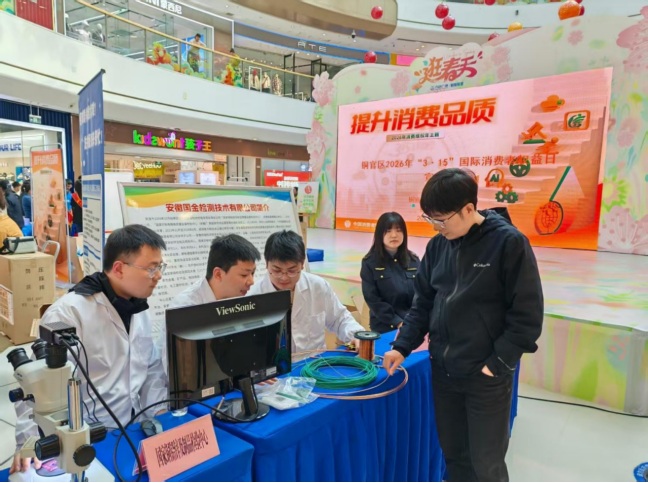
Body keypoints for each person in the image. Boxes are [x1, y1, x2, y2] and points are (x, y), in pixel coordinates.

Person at [383, 168, 544, 482]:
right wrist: (402, 346)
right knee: (454, 456)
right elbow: (423, 304)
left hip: (485, 377)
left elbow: (527, 316)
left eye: (441, 220)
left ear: (469, 209)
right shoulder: (438, 247)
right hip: (445, 372)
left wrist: (496, 365)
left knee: (486, 463)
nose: (436, 227)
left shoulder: (509, 244)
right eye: (430, 219)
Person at [12, 224, 168, 474]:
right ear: (119, 268)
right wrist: (29, 443)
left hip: (136, 427)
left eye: (160, 267)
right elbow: (37, 385)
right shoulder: (68, 313)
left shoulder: (138, 308)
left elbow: (150, 369)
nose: (158, 275)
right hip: (88, 438)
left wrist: (160, 413)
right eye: (151, 268)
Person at [249, 230, 364, 353]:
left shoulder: (318, 286)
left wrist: (356, 334)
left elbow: (340, 319)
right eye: (277, 270)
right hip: (274, 363)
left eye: (292, 270)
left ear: (302, 264)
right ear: (266, 264)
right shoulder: (253, 296)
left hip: (316, 360)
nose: (284, 277)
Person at [360, 212, 420, 334]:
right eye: (388, 231)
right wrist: (398, 322)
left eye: (398, 230)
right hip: (385, 327)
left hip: (413, 325)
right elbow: (373, 300)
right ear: (379, 234)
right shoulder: (370, 263)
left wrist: (414, 321)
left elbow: (421, 294)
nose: (394, 235)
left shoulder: (413, 260)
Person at [169, 234, 260, 309]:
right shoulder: (186, 307)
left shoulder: (246, 297)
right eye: (244, 275)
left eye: (252, 273)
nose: (251, 282)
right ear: (218, 274)